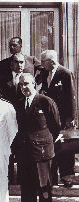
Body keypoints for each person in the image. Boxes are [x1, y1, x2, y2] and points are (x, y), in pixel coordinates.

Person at [14, 73, 60, 202]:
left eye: (26, 84)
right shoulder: (19, 103)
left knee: (44, 186)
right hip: (25, 151)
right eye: (21, 85)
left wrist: (45, 144)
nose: (24, 87)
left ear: (34, 83)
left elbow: (55, 126)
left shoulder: (45, 101)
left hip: (41, 151)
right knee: (26, 185)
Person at [39, 50, 77, 187]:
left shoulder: (65, 73)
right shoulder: (44, 74)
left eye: (43, 61)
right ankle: (52, 176)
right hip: (49, 118)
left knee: (65, 147)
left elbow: (72, 96)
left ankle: (67, 176)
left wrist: (71, 117)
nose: (42, 64)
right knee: (52, 146)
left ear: (51, 61)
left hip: (63, 117)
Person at [0, 53, 26, 185]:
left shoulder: (28, 80)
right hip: (6, 120)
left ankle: (21, 179)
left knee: (21, 151)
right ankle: (8, 180)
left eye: (22, 62)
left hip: (22, 121)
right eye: (17, 62)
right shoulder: (2, 79)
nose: (19, 65)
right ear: (11, 64)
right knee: (7, 150)